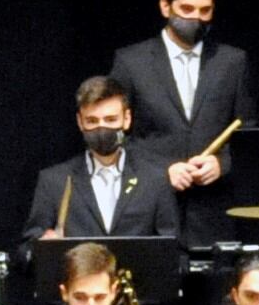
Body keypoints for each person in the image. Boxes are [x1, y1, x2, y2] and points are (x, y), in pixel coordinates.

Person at [104, 0, 248, 246]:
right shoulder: (131, 62)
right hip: (151, 212)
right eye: (187, 9)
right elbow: (116, 137)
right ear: (165, 6)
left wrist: (222, 164)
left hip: (213, 214)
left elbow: (248, 130)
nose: (197, 18)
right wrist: (161, 172)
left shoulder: (232, 61)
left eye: (205, 10)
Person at [22, 75, 172, 246]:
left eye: (110, 120)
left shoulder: (155, 179)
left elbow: (172, 251)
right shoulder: (55, 181)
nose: (102, 128)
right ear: (80, 121)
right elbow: (27, 250)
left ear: (127, 118)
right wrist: (44, 246)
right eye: (92, 121)